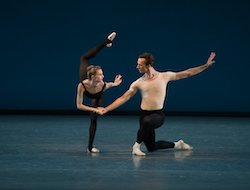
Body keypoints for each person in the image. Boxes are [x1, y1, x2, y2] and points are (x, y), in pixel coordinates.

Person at [99, 52, 216, 155]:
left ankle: (135, 147)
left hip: (157, 115)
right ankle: (178, 144)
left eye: (140, 65)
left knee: (147, 121)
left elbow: (187, 73)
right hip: (143, 115)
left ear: (148, 66)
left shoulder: (164, 76)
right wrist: (106, 109)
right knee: (151, 147)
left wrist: (205, 66)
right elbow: (123, 98)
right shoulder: (138, 83)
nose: (137, 67)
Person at [76, 32, 122, 153]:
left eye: (102, 74)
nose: (103, 76)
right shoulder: (82, 85)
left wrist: (116, 83)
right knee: (84, 57)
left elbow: (110, 84)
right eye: (100, 75)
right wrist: (94, 109)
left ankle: (90, 147)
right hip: (87, 88)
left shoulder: (103, 85)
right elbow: (79, 106)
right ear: (92, 76)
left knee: (94, 119)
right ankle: (106, 42)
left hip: (97, 94)